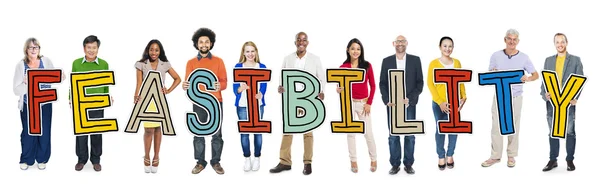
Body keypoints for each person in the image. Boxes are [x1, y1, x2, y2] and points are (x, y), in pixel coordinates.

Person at [269, 32, 326, 175]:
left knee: (308, 132)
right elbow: (282, 76)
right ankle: (284, 162)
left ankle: (307, 163)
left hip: (308, 100)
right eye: (298, 40)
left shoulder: (315, 59)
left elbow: (321, 78)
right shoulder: (288, 59)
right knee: (288, 131)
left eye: (304, 40)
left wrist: (321, 92)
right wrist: (280, 87)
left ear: (307, 42)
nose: (301, 42)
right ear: (295, 42)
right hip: (291, 100)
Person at [481, 29, 539, 168]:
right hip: (500, 95)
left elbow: (536, 75)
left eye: (514, 39)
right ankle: (495, 156)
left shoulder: (524, 57)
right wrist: (493, 72)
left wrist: (528, 78)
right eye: (509, 39)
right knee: (496, 126)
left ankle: (511, 155)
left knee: (514, 126)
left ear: (518, 41)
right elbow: (490, 72)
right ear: (505, 40)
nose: (512, 42)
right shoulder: (495, 55)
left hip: (515, 97)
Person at [13, 37, 63, 170]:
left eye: (36, 47)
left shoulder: (46, 61)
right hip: (28, 105)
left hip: (44, 104)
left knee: (44, 132)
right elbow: (15, 90)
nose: (34, 50)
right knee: (28, 134)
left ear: (39, 49)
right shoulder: (20, 65)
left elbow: (55, 77)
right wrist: (25, 83)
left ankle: (42, 159)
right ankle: (26, 159)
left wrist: (61, 76)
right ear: (26, 50)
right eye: (31, 47)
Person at [183, 28, 227, 175]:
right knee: (198, 132)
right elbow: (188, 83)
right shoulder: (191, 63)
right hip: (198, 102)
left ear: (211, 43)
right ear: (196, 44)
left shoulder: (219, 61)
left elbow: (225, 82)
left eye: (207, 42)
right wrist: (185, 85)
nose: (204, 44)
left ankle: (216, 161)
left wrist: (220, 85)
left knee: (217, 133)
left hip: (216, 102)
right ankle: (200, 162)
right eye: (201, 42)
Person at [133, 39, 181, 173]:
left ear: (160, 52)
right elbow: (138, 83)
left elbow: (177, 78)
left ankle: (156, 156)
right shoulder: (141, 64)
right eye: (151, 50)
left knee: (158, 128)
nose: (154, 52)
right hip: (146, 101)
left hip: (159, 101)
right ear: (148, 51)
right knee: (148, 130)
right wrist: (136, 96)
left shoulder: (164, 65)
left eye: (156, 50)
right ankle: (147, 156)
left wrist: (169, 90)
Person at [379, 34, 424, 175]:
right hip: (392, 105)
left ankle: (408, 164)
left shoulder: (415, 60)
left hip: (409, 105)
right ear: (393, 44)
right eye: (398, 41)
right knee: (393, 135)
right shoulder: (386, 61)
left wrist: (409, 99)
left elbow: (420, 83)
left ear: (407, 43)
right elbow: (382, 83)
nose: (400, 43)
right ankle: (395, 164)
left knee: (410, 135)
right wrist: (387, 100)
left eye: (403, 41)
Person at [541, 33, 583, 172]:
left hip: (567, 102)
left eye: (562, 42)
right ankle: (553, 160)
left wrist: (575, 98)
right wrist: (544, 94)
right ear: (554, 44)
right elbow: (544, 81)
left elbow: (580, 80)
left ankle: (570, 160)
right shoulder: (548, 60)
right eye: (557, 42)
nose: (560, 44)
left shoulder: (576, 60)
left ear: (566, 43)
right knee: (552, 131)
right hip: (552, 102)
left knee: (570, 131)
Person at [336, 38, 377, 173]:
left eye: (358, 49)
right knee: (350, 133)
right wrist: (339, 89)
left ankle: (373, 158)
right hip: (349, 103)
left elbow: (373, 85)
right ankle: (353, 160)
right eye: (353, 48)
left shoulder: (367, 65)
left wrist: (369, 103)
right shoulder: (343, 67)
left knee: (368, 133)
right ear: (348, 50)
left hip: (363, 103)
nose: (355, 51)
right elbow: (339, 85)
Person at [72, 35, 112, 172]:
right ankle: (81, 159)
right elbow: (73, 84)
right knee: (81, 134)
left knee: (96, 132)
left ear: (98, 49)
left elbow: (106, 85)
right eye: (89, 47)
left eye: (94, 47)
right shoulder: (76, 63)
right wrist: (71, 98)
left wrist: (107, 98)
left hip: (97, 104)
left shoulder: (104, 64)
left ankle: (96, 160)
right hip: (81, 104)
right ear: (84, 48)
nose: (91, 50)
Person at [426, 36, 467, 170]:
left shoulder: (457, 63)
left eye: (450, 46)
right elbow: (430, 84)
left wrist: (463, 96)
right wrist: (440, 102)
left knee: (454, 128)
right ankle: (441, 155)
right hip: (439, 104)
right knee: (440, 129)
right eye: (445, 46)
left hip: (454, 102)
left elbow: (460, 81)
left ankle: (450, 154)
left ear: (453, 48)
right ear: (440, 47)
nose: (447, 49)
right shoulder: (433, 63)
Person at [232, 41, 268, 172]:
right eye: (247, 51)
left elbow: (264, 85)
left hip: (258, 105)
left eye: (252, 51)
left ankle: (257, 158)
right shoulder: (238, 66)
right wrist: (240, 89)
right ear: (243, 53)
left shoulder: (261, 66)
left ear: (256, 52)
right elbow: (234, 87)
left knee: (258, 132)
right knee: (244, 133)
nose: (250, 54)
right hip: (242, 105)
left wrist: (261, 94)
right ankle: (247, 158)